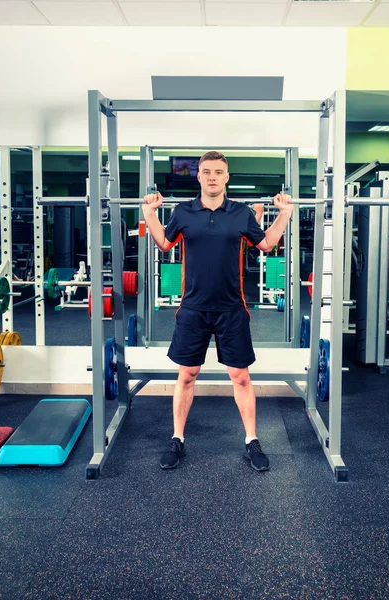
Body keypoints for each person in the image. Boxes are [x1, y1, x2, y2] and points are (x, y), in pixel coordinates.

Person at [142, 151, 293, 472]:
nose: (212, 177)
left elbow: (265, 245)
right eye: (206, 171)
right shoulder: (183, 212)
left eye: (218, 172)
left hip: (231, 308)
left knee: (240, 377)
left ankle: (252, 440)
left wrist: (285, 215)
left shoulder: (240, 214)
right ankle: (177, 439)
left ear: (227, 177)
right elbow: (164, 244)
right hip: (193, 308)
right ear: (198, 176)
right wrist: (149, 213)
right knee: (187, 375)